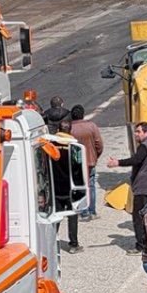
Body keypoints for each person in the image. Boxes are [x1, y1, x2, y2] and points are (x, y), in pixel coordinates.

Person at [107, 122, 147, 255]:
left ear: (146, 132)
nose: (135, 134)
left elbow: (136, 160)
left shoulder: (145, 146)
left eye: (138, 132)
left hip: (145, 187)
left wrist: (117, 162)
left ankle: (141, 245)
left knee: (139, 217)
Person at [69, 104, 104, 221]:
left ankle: (82, 211)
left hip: (76, 163)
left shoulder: (70, 128)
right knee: (91, 185)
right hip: (90, 161)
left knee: (79, 186)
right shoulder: (91, 126)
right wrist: (95, 156)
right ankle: (92, 211)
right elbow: (99, 144)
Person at [54, 119, 83, 253]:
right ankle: (73, 244)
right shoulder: (74, 146)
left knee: (56, 216)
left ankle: (52, 241)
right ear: (70, 130)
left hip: (55, 187)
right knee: (72, 216)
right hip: (71, 187)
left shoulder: (52, 144)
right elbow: (79, 166)